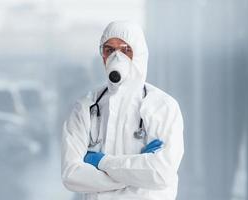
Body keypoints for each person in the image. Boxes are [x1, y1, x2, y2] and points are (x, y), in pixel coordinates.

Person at [61, 20, 184, 200]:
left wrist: (102, 162)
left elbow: (162, 173)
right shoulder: (86, 107)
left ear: (139, 54)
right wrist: (136, 174)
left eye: (126, 50)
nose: (116, 58)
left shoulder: (163, 107)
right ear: (102, 55)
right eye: (109, 50)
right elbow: (71, 175)